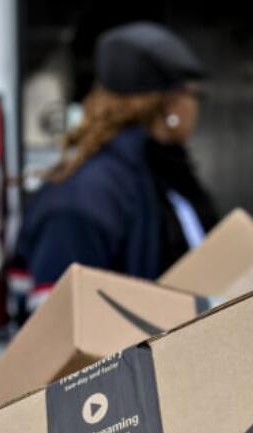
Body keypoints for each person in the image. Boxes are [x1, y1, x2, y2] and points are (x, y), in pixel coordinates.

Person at [17, 22, 219, 309]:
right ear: (170, 105)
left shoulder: (165, 177)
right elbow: (60, 327)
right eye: (194, 96)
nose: (196, 108)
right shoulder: (84, 197)